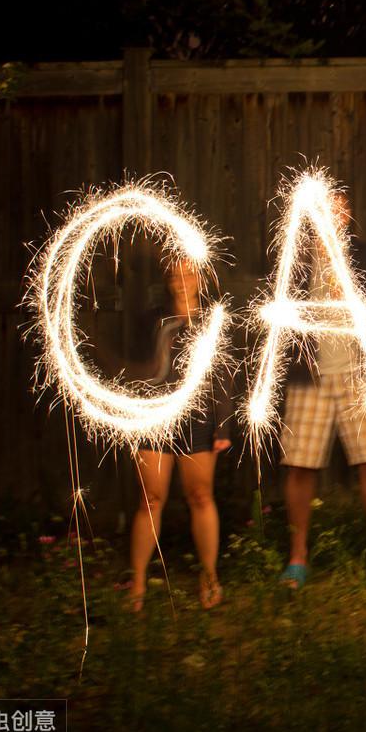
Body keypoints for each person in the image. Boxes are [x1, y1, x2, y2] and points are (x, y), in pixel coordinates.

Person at [277, 194, 366, 588]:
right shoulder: (295, 257)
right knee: (299, 465)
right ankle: (297, 557)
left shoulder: (362, 254)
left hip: (356, 376)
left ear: (348, 215)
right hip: (307, 376)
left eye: (340, 207)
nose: (333, 214)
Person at [128, 259, 233, 611]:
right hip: (155, 420)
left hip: (198, 420)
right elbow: (136, 372)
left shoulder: (212, 322)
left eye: (188, 274)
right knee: (150, 499)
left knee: (201, 496)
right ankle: (138, 583)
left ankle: (209, 577)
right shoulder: (152, 321)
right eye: (175, 274)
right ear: (167, 280)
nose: (182, 281)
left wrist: (224, 424)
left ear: (200, 278)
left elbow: (224, 375)